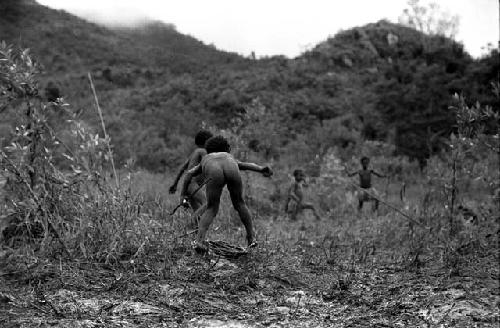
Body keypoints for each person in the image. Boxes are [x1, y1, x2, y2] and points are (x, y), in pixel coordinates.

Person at [180, 135, 272, 253]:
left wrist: (183, 194)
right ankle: (251, 237)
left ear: (208, 150)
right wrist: (261, 168)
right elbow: (245, 164)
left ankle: (199, 241)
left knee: (211, 208)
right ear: (227, 148)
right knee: (240, 203)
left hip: (214, 171)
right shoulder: (229, 157)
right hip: (231, 168)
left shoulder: (206, 158)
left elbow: (189, 174)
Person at [169, 130, 213, 212]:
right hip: (193, 185)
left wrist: (175, 184)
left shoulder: (194, 153)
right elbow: (206, 163)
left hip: (188, 186)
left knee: (197, 213)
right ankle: (194, 222)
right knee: (207, 204)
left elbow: (182, 169)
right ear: (207, 141)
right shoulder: (202, 151)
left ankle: (193, 224)